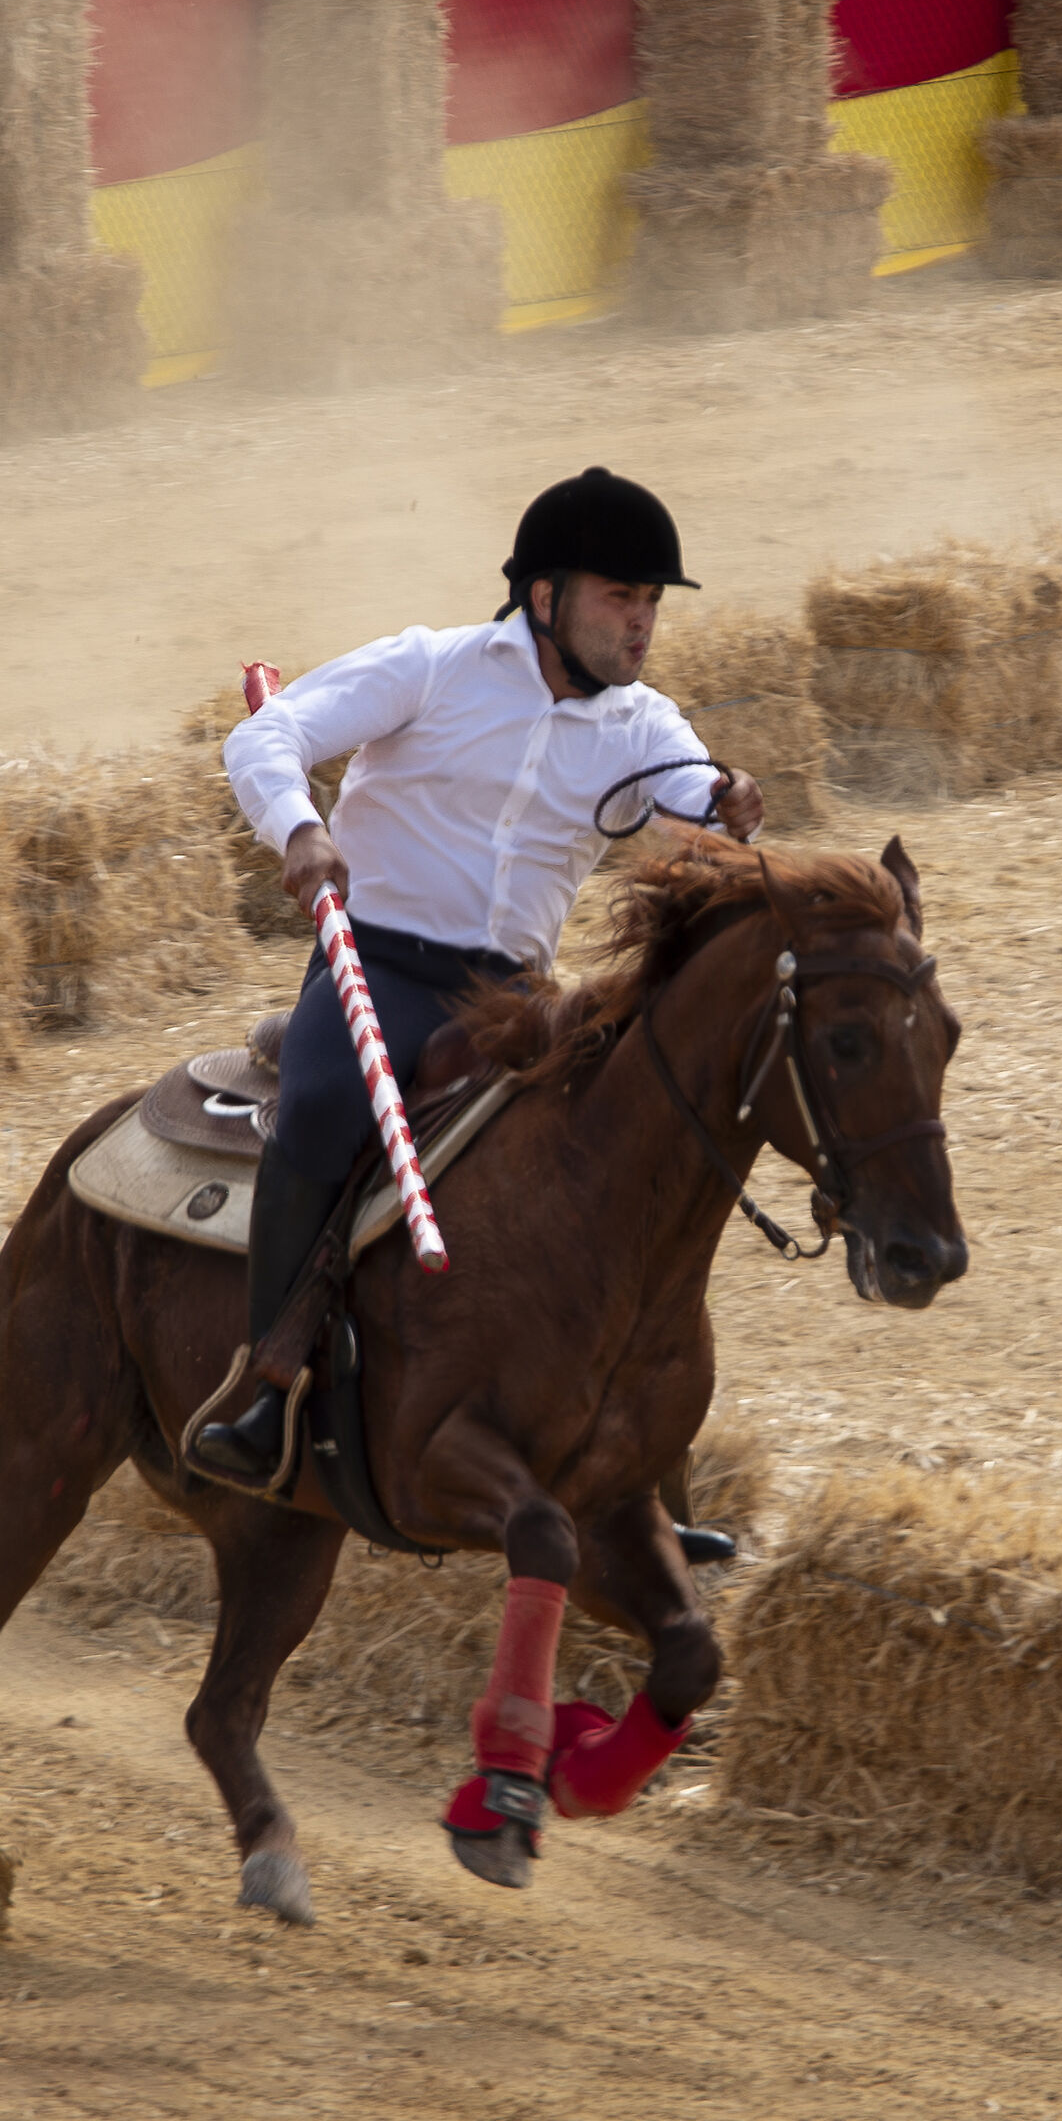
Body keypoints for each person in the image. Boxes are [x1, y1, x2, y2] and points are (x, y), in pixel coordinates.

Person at [192, 465, 763, 1489]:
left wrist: (725, 801)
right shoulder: (431, 667)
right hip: (376, 966)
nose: (640, 625)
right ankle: (267, 1385)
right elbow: (265, 733)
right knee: (323, 1107)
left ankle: (638, 1452)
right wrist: (301, 830)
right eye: (619, 599)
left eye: (649, 604)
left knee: (620, 1156)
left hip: (514, 997)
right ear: (543, 599)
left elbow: (691, 791)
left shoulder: (642, 727)